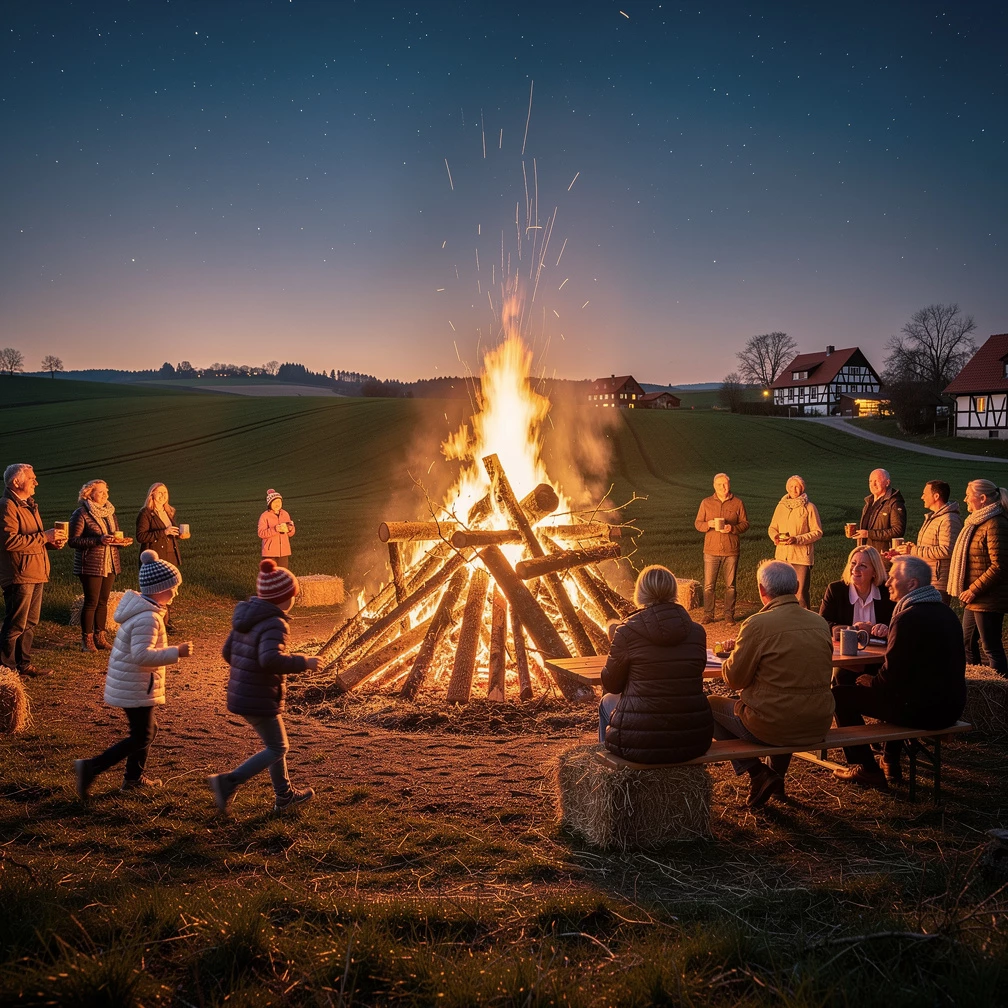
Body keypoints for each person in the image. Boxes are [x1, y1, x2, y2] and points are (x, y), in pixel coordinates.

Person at [832, 554, 966, 789]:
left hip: (922, 710)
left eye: (893, 578)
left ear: (912, 584)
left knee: (839, 696)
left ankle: (868, 768)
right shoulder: (947, 613)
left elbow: (891, 679)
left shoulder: (908, 618)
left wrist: (870, 681)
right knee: (884, 694)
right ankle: (889, 759)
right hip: (950, 707)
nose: (887, 583)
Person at [711, 560, 834, 808]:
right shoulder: (820, 623)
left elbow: (735, 680)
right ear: (797, 586)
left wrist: (731, 657)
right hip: (818, 720)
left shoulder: (757, 624)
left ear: (761, 590)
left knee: (709, 706)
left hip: (775, 723)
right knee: (787, 700)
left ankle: (758, 773)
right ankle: (777, 784)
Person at [73, 550, 194, 798]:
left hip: (135, 682)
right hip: (136, 684)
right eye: (173, 588)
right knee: (143, 734)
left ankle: (132, 779)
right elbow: (141, 655)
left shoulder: (145, 612)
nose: (176, 593)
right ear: (160, 588)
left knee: (147, 731)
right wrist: (176, 652)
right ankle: (91, 767)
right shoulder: (148, 618)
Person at [208, 559, 320, 814]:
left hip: (243, 692)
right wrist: (304, 662)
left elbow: (228, 653)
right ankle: (228, 782)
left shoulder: (246, 616)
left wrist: (245, 670)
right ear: (283, 598)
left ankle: (284, 796)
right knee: (279, 747)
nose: (293, 600)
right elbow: (269, 659)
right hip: (258, 695)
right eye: (293, 595)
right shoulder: (275, 623)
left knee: (275, 745)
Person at [598, 564, 713, 763]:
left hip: (640, 742)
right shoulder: (697, 631)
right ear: (674, 592)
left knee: (606, 701)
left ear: (640, 593)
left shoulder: (626, 631)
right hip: (693, 739)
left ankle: (606, 774)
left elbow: (611, 684)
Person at [0, 463, 67, 676]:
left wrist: (50, 544)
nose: (36, 482)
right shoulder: (7, 506)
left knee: (30, 623)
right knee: (16, 624)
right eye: (32, 478)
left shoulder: (28, 505)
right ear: (16, 482)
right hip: (19, 574)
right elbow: (9, 541)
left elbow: (31, 540)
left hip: (36, 571)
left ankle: (23, 665)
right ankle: (6, 670)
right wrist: (44, 537)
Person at [947, 479, 1008, 679]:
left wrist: (973, 589)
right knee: (966, 643)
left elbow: (999, 566)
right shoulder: (977, 522)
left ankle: (999, 692)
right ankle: (976, 688)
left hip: (987, 599)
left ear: (982, 499)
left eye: (968, 495)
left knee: (991, 647)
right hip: (975, 599)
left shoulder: (996, 523)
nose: (965, 499)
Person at [68, 479, 133, 652]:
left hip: (110, 562)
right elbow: (73, 541)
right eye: (101, 492)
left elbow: (113, 537)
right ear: (89, 494)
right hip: (90, 564)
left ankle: (100, 636)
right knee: (91, 602)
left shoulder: (110, 513)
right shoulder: (81, 514)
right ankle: (87, 640)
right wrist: (99, 540)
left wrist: (120, 542)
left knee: (103, 601)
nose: (105, 495)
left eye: (106, 491)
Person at [693, 473, 749, 624]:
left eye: (725, 484)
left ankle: (729, 614)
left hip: (731, 550)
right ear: (714, 486)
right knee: (709, 585)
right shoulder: (706, 503)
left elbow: (745, 524)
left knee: (730, 586)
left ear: (729, 485)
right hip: (711, 551)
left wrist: (732, 528)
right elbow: (698, 524)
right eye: (719, 485)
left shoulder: (737, 503)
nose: (722, 487)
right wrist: (708, 525)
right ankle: (708, 614)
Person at [136, 483, 190, 631]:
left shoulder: (168, 511)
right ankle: (158, 623)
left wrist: (179, 535)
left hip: (170, 554)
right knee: (157, 591)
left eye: (165, 492)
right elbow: (140, 536)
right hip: (155, 556)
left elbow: (169, 532)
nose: (163, 495)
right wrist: (163, 532)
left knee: (170, 589)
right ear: (152, 494)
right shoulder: (146, 513)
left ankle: (167, 621)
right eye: (159, 492)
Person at [902, 480, 963, 605]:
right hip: (929, 579)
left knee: (936, 621)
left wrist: (914, 550)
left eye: (925, 493)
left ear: (936, 496)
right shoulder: (934, 517)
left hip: (939, 582)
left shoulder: (949, 520)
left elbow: (947, 550)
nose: (922, 497)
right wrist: (914, 548)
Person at [767, 475, 823, 609]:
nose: (794, 489)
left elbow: (818, 532)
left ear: (802, 488)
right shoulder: (781, 506)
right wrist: (775, 537)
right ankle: (783, 621)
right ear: (787, 488)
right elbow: (772, 527)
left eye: (797, 486)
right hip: (782, 556)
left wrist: (797, 539)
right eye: (791, 486)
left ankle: (804, 623)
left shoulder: (809, 507)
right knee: (781, 592)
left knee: (800, 594)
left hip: (801, 558)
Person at [818, 546, 895, 633]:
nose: (855, 569)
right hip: (844, 646)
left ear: (874, 572)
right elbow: (822, 624)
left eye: (863, 565)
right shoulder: (835, 590)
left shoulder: (887, 591)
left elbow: (897, 623)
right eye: (853, 563)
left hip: (880, 646)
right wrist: (853, 629)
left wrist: (885, 628)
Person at [855, 468, 906, 557]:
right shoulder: (869, 502)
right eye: (870, 481)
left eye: (877, 481)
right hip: (868, 554)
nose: (873, 484)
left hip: (884, 555)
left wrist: (868, 534)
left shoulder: (894, 503)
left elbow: (898, 531)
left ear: (887, 482)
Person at [258, 489, 295, 569]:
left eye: (279, 501)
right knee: (270, 575)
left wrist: (290, 528)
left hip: (284, 552)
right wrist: (275, 529)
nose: (277, 504)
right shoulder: (264, 516)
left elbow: (291, 534)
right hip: (269, 553)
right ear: (269, 503)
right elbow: (261, 533)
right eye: (275, 502)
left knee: (282, 575)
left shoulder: (285, 514)